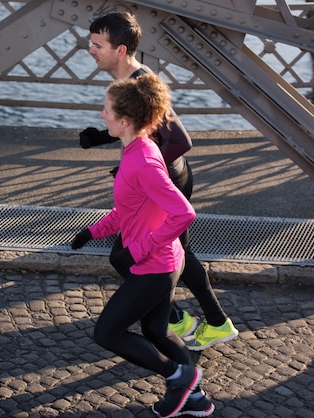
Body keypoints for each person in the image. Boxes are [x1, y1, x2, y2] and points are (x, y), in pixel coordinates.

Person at [79, 11, 238, 351]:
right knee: (151, 253)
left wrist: (140, 173)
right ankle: (189, 318)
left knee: (139, 254)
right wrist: (103, 138)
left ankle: (203, 321)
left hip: (169, 180)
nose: (90, 50)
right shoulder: (128, 80)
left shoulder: (141, 79)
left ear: (120, 50)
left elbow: (180, 140)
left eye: (97, 45)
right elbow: (143, 126)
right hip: (156, 179)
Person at [71, 73, 213, 418]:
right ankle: (196, 401)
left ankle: (180, 377)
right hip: (163, 261)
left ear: (125, 121)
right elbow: (129, 208)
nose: (101, 115)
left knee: (108, 332)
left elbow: (183, 214)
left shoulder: (144, 161)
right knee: (156, 329)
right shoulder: (138, 148)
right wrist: (94, 231)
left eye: (106, 110)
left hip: (155, 266)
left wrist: (139, 249)